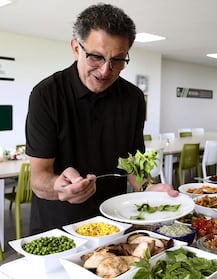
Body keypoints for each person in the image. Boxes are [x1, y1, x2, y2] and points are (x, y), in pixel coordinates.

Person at [25, 4, 177, 235]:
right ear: (76, 48)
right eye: (96, 57)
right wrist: (58, 187)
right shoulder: (46, 95)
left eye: (117, 60)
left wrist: (149, 188)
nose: (106, 71)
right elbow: (39, 177)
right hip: (58, 226)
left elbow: (133, 164)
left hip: (114, 222)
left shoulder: (133, 98)